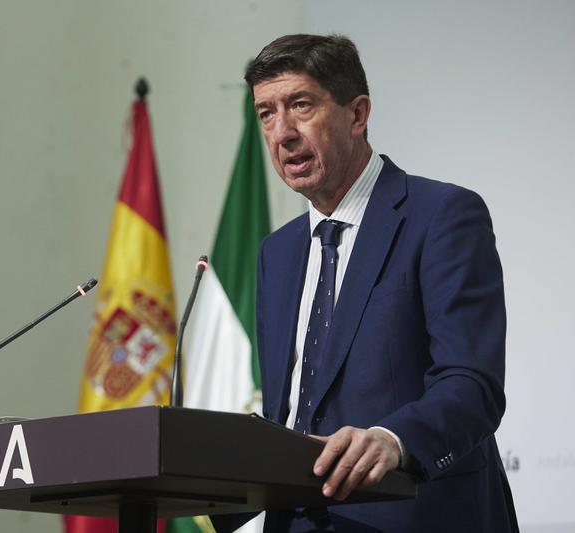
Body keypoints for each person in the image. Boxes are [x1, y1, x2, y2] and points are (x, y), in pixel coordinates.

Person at [213, 34, 519, 532]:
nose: (282, 133)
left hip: (412, 515)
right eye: (266, 113)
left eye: (301, 105)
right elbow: (288, 411)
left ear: (357, 115)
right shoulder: (278, 252)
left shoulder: (441, 216)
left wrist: (392, 440)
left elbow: (472, 384)